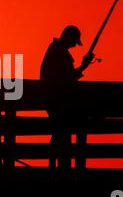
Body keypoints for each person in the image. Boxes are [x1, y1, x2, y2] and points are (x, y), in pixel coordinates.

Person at [39, 25, 94, 172]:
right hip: (57, 101)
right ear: (69, 38)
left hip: (54, 100)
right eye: (75, 41)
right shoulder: (59, 53)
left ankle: (56, 167)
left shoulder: (56, 50)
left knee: (60, 134)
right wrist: (83, 66)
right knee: (63, 134)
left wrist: (83, 67)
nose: (75, 45)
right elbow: (67, 79)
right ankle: (61, 169)